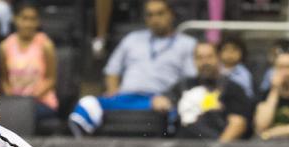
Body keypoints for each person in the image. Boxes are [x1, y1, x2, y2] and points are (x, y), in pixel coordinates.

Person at [69, 0, 196, 136]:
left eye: (160, 13)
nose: (155, 19)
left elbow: (190, 79)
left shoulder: (187, 44)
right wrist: (113, 91)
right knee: (86, 105)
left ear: (171, 15)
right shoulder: (132, 39)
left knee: (175, 113)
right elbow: (112, 70)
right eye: (150, 15)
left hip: (158, 98)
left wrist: (170, 98)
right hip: (125, 97)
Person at [155, 41, 251, 141]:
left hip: (214, 146)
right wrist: (160, 101)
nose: (205, 62)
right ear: (194, 61)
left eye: (209, 57)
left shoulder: (232, 88)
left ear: (218, 58)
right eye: (200, 58)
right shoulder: (184, 84)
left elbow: (237, 124)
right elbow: (163, 99)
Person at [0, 1, 57, 118]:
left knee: (24, 115)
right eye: (24, 18)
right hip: (14, 101)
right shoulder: (5, 46)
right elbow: (5, 80)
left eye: (33, 19)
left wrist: (30, 100)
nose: (28, 24)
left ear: (38, 21)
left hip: (41, 102)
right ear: (15, 19)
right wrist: (13, 99)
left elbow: (51, 80)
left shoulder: (46, 45)